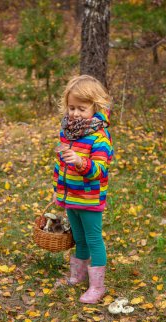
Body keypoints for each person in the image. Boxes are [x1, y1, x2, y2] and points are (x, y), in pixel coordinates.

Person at [52, 75, 114, 304]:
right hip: (70, 196)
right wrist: (58, 189)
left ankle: (97, 286)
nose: (75, 113)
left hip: (89, 198)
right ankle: (77, 275)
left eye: (81, 108)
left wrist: (80, 162)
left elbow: (99, 170)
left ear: (94, 107)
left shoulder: (99, 138)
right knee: (78, 237)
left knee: (93, 238)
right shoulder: (66, 132)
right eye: (71, 107)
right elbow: (59, 164)